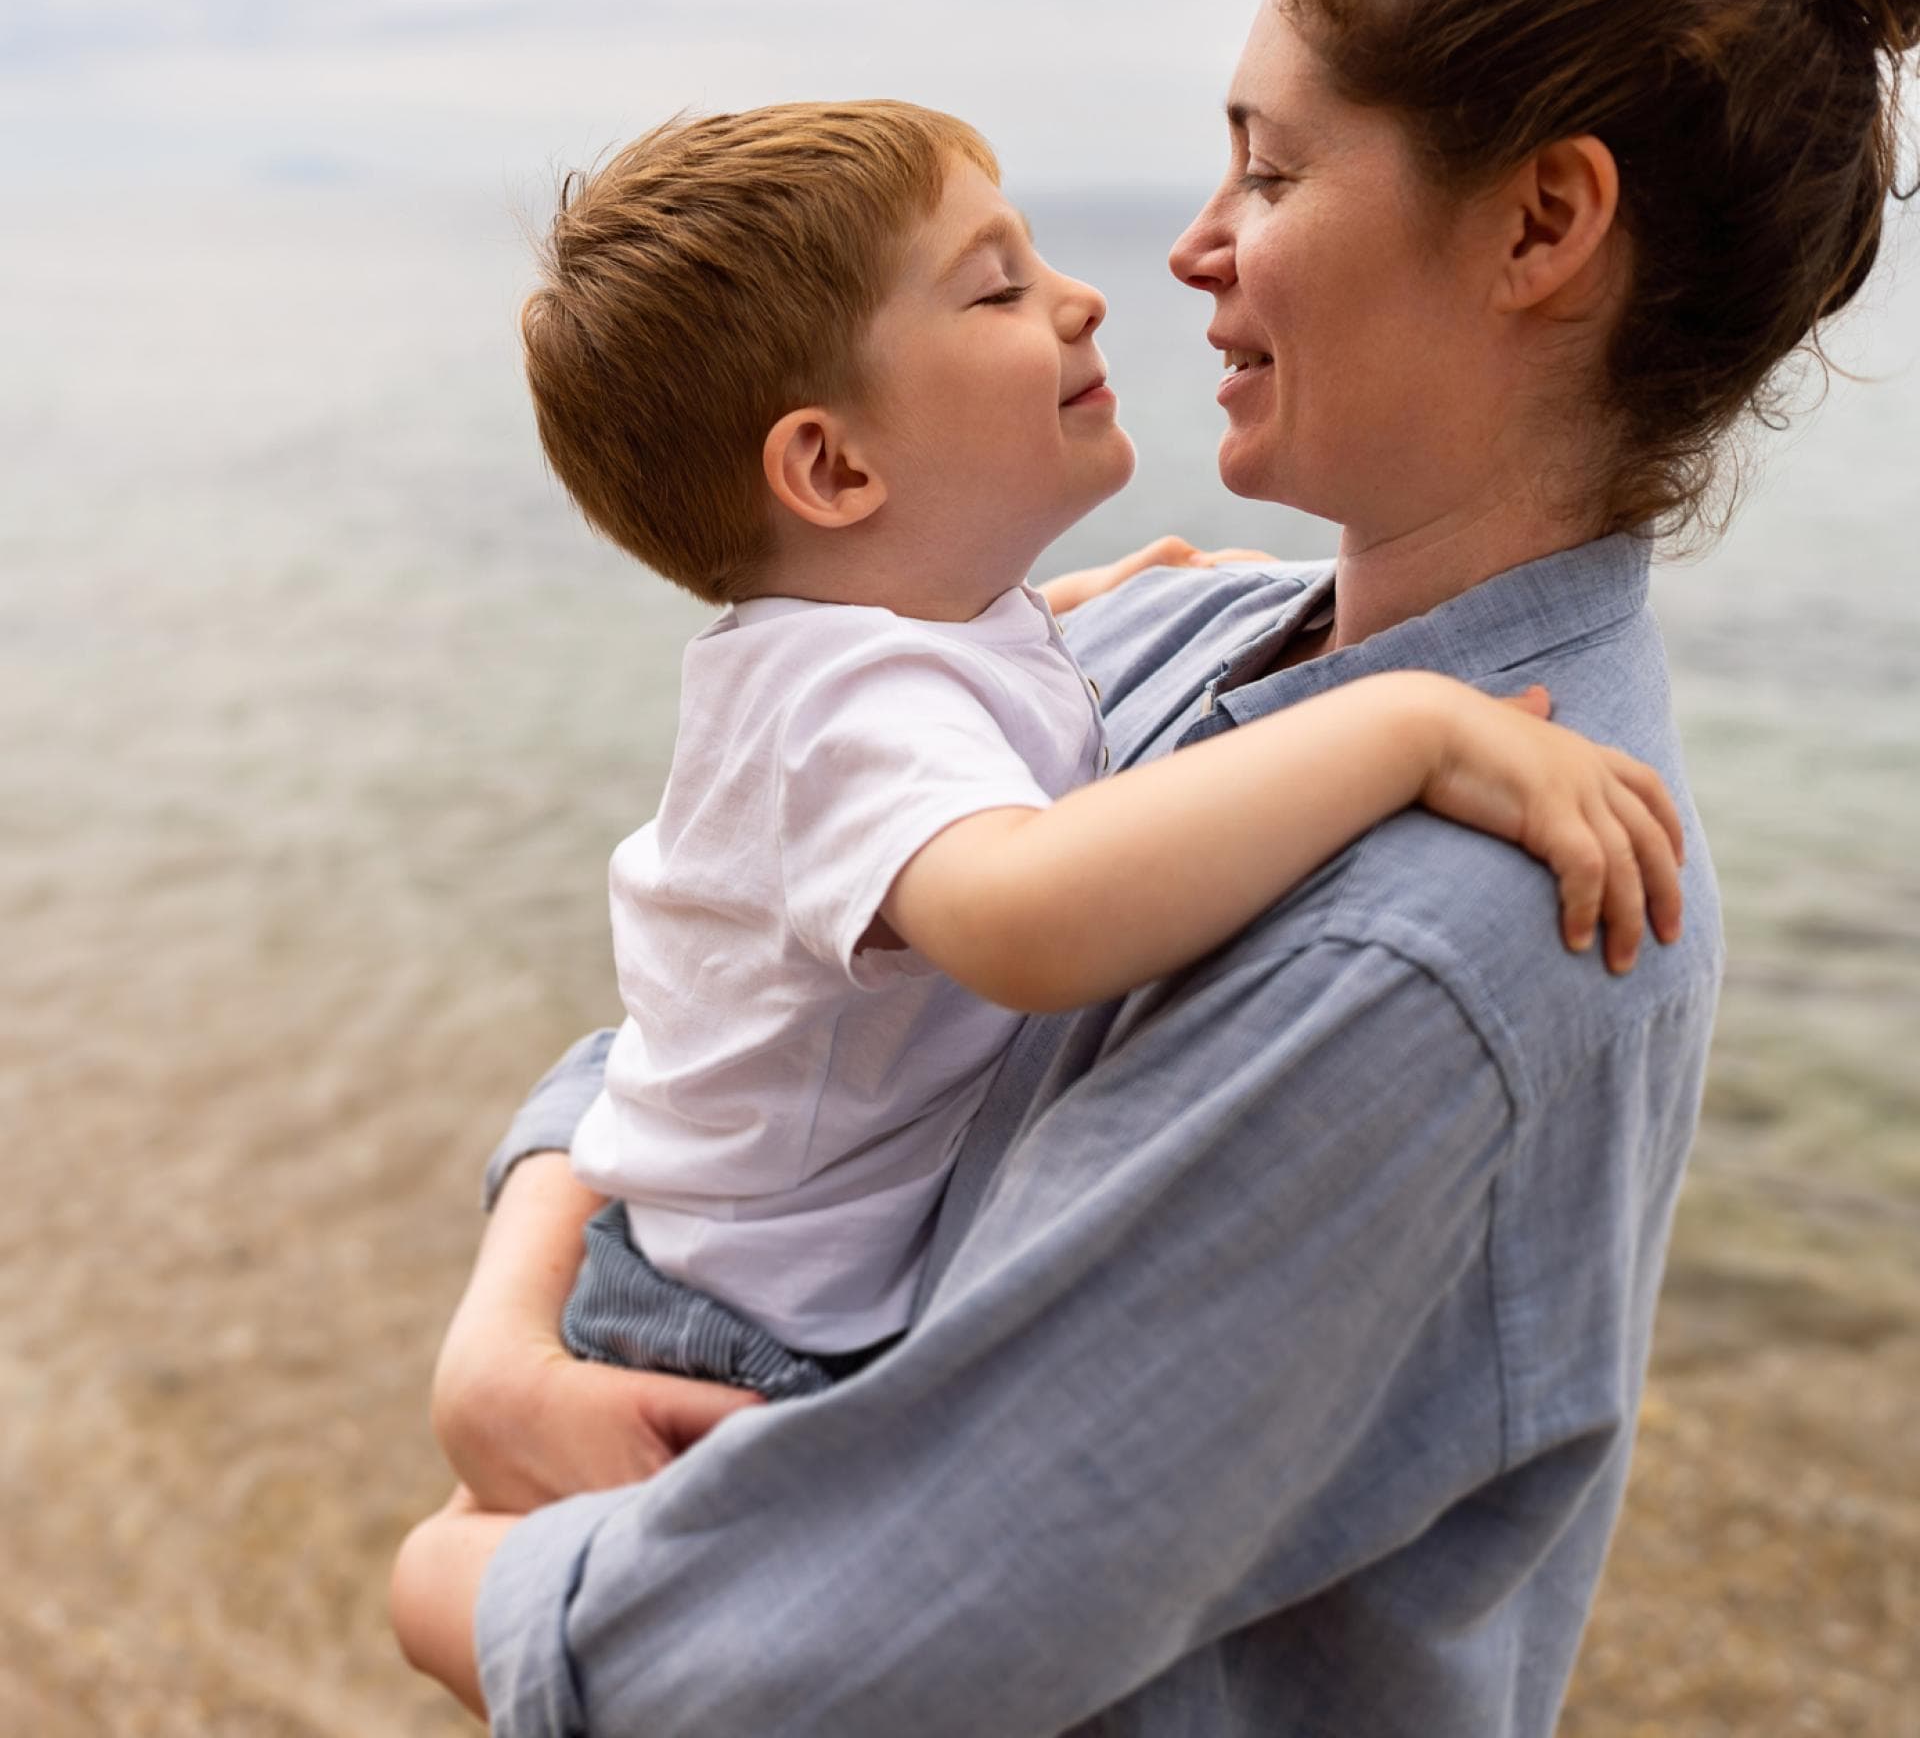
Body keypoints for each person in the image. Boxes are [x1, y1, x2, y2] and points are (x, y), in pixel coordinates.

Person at [391, 0, 1920, 1730]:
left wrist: (438, 1574)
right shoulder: (1166, 640)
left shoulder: (1449, 945)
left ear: (1543, 226)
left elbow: (789, 1675)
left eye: (1271, 170)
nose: (1184, 249)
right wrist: (504, 1334)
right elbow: (720, 1001)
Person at [497, 99, 1679, 1408]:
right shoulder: (844, 718)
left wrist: (1085, 599)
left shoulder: (853, 649)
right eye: (998, 290)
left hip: (699, 1258)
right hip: (739, 1332)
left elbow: (943, 671)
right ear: (832, 468)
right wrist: (1402, 727)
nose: (1084, 301)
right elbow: (1025, 919)